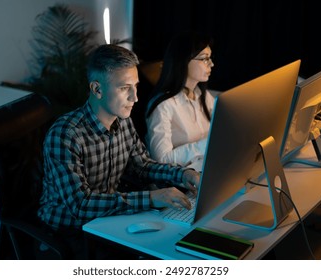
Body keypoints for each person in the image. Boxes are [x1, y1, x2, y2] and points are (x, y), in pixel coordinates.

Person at [37, 44, 200, 259]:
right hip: (69, 229)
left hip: (108, 217)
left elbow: (142, 166)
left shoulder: (123, 121)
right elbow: (80, 205)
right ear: (97, 89)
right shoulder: (65, 134)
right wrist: (151, 198)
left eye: (135, 87)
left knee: (174, 243)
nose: (135, 98)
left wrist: (183, 174)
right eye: (124, 88)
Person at [145, 31, 215, 171]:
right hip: (179, 182)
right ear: (184, 61)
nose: (211, 64)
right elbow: (161, 159)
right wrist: (206, 144)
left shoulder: (204, 96)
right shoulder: (163, 105)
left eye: (210, 58)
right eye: (205, 59)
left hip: (206, 169)